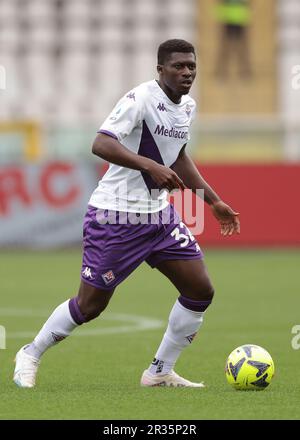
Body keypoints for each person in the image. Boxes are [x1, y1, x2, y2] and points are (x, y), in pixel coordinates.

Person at [13, 39, 240, 388]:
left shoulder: (187, 107)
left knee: (199, 290)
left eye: (191, 66)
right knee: (90, 306)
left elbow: (177, 155)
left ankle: (160, 371)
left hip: (159, 217)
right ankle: (30, 352)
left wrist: (213, 201)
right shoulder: (140, 99)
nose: (186, 72)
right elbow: (101, 143)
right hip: (116, 216)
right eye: (178, 66)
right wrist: (150, 166)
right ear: (160, 69)